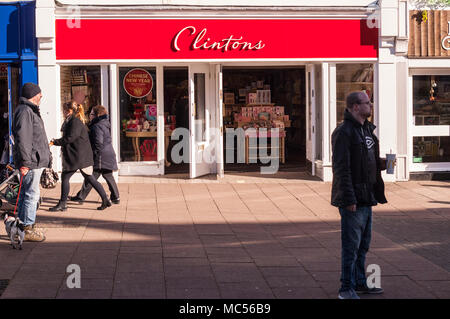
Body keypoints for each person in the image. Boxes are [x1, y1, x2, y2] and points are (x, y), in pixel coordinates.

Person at [331, 91, 391, 299]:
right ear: (355, 107)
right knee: (351, 246)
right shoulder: (344, 132)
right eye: (367, 102)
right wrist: (349, 200)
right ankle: (345, 288)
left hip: (367, 196)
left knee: (363, 245)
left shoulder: (367, 130)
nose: (371, 105)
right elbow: (341, 168)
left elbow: (363, 160)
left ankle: (359, 282)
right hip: (353, 198)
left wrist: (380, 163)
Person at [49, 100, 112, 211]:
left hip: (79, 157)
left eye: (64, 110)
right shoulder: (71, 120)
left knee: (67, 178)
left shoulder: (75, 122)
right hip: (78, 157)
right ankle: (105, 200)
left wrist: (55, 142)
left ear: (68, 111)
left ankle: (63, 204)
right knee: (89, 179)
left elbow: (70, 138)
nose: (62, 112)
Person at [12, 83, 51, 242]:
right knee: (30, 195)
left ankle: (21, 227)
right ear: (33, 94)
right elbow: (24, 139)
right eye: (39, 93)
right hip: (31, 162)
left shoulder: (28, 110)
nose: (41, 96)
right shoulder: (26, 111)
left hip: (33, 160)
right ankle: (27, 227)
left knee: (25, 194)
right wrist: (26, 162)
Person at [69, 105, 120, 204]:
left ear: (97, 115)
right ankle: (115, 197)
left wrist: (93, 153)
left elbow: (98, 143)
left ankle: (81, 196)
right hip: (107, 154)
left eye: (91, 114)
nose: (90, 116)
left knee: (91, 176)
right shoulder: (103, 123)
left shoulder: (97, 126)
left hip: (101, 156)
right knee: (107, 176)